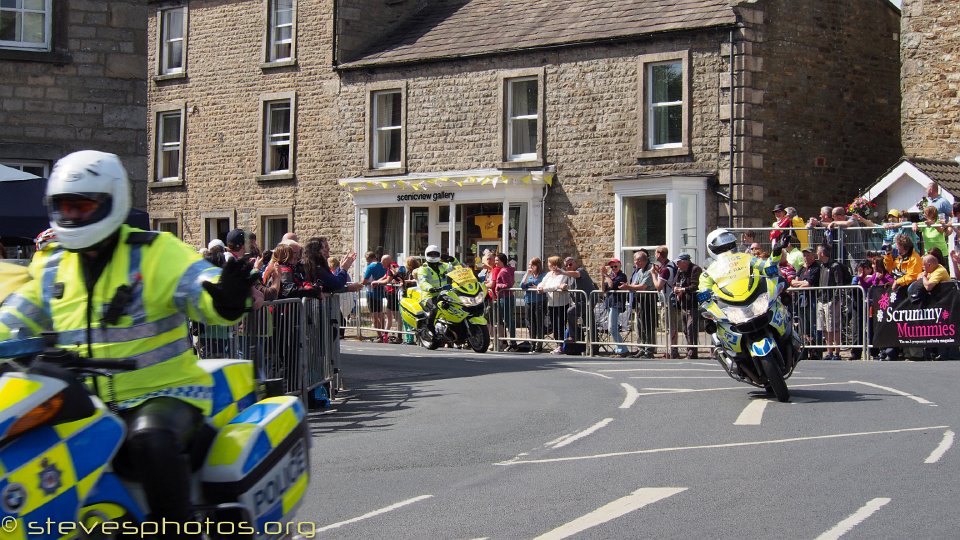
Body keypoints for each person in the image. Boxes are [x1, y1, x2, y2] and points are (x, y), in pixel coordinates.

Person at [0, 150, 253, 534]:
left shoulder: (155, 252)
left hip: (165, 393)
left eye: (82, 206)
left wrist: (227, 296)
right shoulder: (51, 264)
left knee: (150, 440)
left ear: (110, 201)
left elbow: (199, 287)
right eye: (63, 206)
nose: (72, 216)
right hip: (84, 402)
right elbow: (15, 317)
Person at [621, 250, 656, 358]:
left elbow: (643, 286)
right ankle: (641, 348)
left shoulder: (650, 270)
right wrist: (629, 286)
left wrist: (628, 287)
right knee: (640, 326)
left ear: (641, 260)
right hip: (640, 301)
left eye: (635, 260)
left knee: (648, 326)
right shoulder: (640, 270)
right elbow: (635, 284)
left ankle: (649, 350)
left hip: (649, 300)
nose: (634, 263)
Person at [416, 244, 456, 339]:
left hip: (445, 294)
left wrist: (453, 260)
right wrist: (430, 288)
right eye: (431, 254)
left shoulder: (444, 266)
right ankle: (430, 328)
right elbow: (422, 281)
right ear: (426, 254)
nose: (433, 256)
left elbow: (460, 269)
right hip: (429, 295)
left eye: (435, 254)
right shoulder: (423, 269)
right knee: (435, 308)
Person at [537, 256, 575, 354]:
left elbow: (556, 286)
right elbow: (542, 283)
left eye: (549, 263)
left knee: (560, 324)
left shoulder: (563, 274)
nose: (548, 265)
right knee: (554, 325)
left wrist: (544, 289)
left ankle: (561, 346)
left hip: (561, 303)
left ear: (554, 264)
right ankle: (557, 344)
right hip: (551, 303)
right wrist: (539, 287)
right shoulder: (549, 274)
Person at [651, 246, 680, 358]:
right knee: (670, 326)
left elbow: (658, 286)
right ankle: (672, 350)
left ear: (659, 254)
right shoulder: (671, 265)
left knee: (670, 326)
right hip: (670, 300)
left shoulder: (666, 269)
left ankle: (673, 351)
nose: (654, 255)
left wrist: (654, 274)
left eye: (655, 253)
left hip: (668, 301)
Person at [673, 253, 702, 359]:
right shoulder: (680, 271)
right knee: (685, 329)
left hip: (693, 303)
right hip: (683, 303)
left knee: (691, 329)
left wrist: (683, 290)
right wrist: (676, 289)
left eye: (679, 262)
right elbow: (675, 282)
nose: (677, 264)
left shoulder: (695, 269)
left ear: (685, 262)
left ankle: (693, 352)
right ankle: (689, 349)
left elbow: (695, 285)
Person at [600, 258, 629, 357]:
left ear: (620, 265)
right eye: (612, 267)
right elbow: (603, 289)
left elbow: (612, 285)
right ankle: (620, 348)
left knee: (612, 327)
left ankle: (622, 349)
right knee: (610, 327)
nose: (613, 268)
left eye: (615, 266)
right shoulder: (611, 276)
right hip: (610, 302)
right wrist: (603, 277)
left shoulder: (622, 276)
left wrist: (606, 275)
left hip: (616, 303)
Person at [520, 257, 546, 352]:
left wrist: (537, 287)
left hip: (539, 301)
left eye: (532, 265)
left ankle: (539, 345)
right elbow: (522, 286)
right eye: (529, 264)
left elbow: (544, 286)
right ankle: (532, 343)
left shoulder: (543, 275)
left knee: (539, 323)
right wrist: (527, 274)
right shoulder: (529, 275)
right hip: (529, 301)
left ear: (537, 265)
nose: (530, 266)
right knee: (530, 323)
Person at [491, 252, 516, 350]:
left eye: (497, 260)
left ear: (502, 261)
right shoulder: (507, 270)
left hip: (505, 298)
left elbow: (508, 284)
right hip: (506, 297)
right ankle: (511, 342)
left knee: (508, 321)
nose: (495, 262)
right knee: (508, 321)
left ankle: (512, 342)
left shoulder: (504, 271)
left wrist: (498, 286)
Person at [362, 251, 387, 342]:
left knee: (374, 316)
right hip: (380, 293)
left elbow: (364, 281)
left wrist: (369, 282)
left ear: (368, 259)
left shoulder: (370, 267)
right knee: (381, 315)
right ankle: (385, 335)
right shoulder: (382, 266)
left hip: (371, 293)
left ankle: (380, 336)